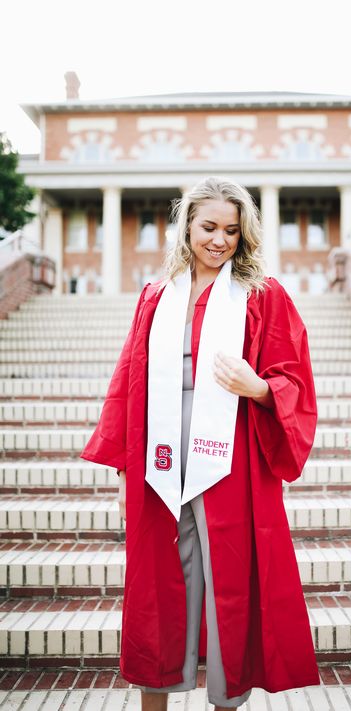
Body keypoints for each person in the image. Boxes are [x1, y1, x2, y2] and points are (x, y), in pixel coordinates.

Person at [80, 176, 320, 711]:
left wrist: (256, 387)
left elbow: (295, 380)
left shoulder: (261, 295)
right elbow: (127, 386)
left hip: (230, 459)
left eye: (232, 230)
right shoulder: (155, 298)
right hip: (159, 461)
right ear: (186, 225)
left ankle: (225, 698)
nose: (220, 240)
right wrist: (124, 476)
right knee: (160, 590)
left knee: (229, 584)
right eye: (208, 226)